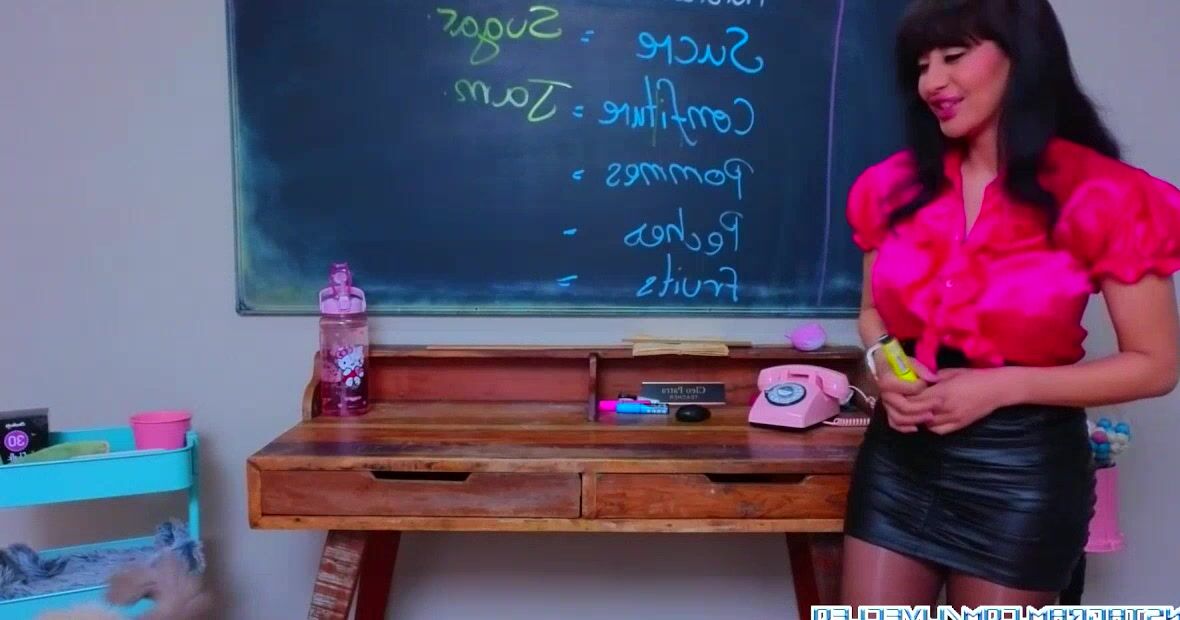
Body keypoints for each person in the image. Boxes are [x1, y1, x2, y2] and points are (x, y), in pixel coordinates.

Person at [841, 0, 1180, 608]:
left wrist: (999, 388)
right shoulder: (888, 187)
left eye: (953, 56)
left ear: (1021, 56)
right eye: (921, 66)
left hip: (1021, 475)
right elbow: (872, 315)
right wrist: (889, 369)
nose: (932, 82)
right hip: (898, 462)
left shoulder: (1109, 196)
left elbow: (1155, 366)